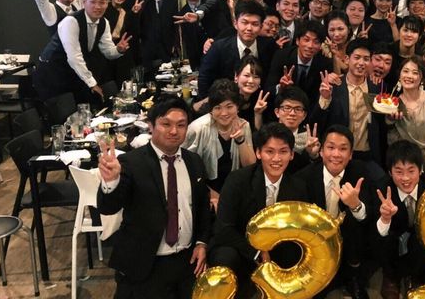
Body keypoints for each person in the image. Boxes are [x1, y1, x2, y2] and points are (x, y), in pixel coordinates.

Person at [97, 95, 210, 298]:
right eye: (166, 124)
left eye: (181, 125)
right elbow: (108, 207)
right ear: (151, 126)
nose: (174, 131)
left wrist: (202, 242)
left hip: (187, 262)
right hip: (145, 263)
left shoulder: (194, 161)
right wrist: (111, 182)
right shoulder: (131, 162)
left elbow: (202, 206)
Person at [210, 122, 308, 298]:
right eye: (270, 151)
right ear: (258, 153)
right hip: (241, 247)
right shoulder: (237, 180)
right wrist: (257, 253)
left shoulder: (299, 187)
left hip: (279, 251)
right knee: (225, 256)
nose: (276, 158)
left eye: (283, 152)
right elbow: (223, 229)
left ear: (292, 154)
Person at [372, 140, 425, 298]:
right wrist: (385, 218)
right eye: (399, 172)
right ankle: (391, 277)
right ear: (390, 173)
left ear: (421, 170)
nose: (405, 178)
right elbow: (377, 234)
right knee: (383, 236)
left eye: (411, 171)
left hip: (420, 238)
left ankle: (415, 276)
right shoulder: (381, 189)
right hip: (395, 238)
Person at [296, 124, 374, 299]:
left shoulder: (361, 172)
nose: (336, 154)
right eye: (331, 147)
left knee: (359, 223)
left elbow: (367, 217)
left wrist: (355, 205)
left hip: (348, 238)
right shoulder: (304, 177)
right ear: (321, 151)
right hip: (316, 240)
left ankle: (354, 278)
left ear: (351, 154)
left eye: (343, 149)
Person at [33, 0, 131, 103]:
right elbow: (74, 57)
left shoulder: (104, 22)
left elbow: (108, 51)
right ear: (84, 2)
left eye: (102, 2)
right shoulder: (71, 21)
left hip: (72, 71)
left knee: (82, 107)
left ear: (107, 3)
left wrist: (118, 50)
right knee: (62, 110)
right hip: (51, 71)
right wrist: (92, 83)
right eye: (93, 2)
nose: (97, 6)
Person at [183, 79, 256, 212]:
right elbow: (187, 169)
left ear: (237, 106)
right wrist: (211, 195)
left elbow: (250, 166)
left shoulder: (244, 125)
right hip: (201, 189)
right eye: (218, 107)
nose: (224, 113)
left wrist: (240, 140)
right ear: (211, 109)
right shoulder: (197, 129)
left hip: (233, 189)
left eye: (229, 106)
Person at [313, 39, 385, 165]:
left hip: (367, 155)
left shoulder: (376, 88)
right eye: (357, 58)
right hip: (338, 155)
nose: (361, 63)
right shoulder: (334, 86)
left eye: (366, 59)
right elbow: (316, 121)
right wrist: (324, 98)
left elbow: (381, 124)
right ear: (347, 59)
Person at [197, 0, 275, 96]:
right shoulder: (219, 48)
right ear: (235, 23)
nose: (249, 28)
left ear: (261, 26)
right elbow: (204, 79)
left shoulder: (269, 47)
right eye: (244, 22)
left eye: (255, 24)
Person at [387, 56, 425, 156]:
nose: (409, 76)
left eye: (415, 73)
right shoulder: (393, 102)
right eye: (405, 71)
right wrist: (390, 119)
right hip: (406, 157)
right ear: (399, 75)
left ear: (422, 78)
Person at [265, 20, 333, 105]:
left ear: (320, 46)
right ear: (297, 41)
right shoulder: (282, 56)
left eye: (316, 42)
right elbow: (268, 89)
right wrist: (280, 87)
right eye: (306, 40)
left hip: (309, 108)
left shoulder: (324, 63)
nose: (310, 46)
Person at [133, 0, 178, 69]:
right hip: (149, 51)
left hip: (168, 49)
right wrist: (135, 13)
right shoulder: (144, 4)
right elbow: (138, 26)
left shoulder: (173, 2)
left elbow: (176, 26)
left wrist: (175, 44)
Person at [273, 86, 321, 174]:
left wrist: (312, 155)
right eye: (287, 108)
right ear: (277, 112)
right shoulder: (268, 134)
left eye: (298, 109)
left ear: (304, 115)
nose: (292, 113)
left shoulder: (312, 139)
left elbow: (316, 170)